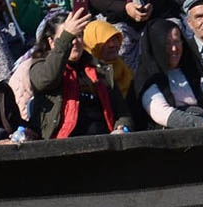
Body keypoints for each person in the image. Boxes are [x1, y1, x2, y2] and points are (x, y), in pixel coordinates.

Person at [28, 7, 133, 139]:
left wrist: (122, 128)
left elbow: (122, 112)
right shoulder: (40, 66)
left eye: (78, 36)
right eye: (67, 37)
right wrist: (67, 37)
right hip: (62, 146)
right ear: (51, 42)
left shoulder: (99, 69)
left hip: (104, 144)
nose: (75, 42)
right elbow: (47, 79)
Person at [135, 18, 203, 128]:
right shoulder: (148, 77)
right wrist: (202, 123)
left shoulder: (191, 71)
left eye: (177, 41)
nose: (174, 48)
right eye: (167, 43)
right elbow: (161, 112)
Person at [89, 0, 184, 71]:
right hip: (119, 20)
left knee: (171, 37)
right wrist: (124, 7)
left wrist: (151, 4)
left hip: (158, 15)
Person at [83, 19, 133, 100]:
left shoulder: (123, 68)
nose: (112, 45)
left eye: (115, 39)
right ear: (92, 43)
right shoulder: (86, 78)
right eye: (106, 41)